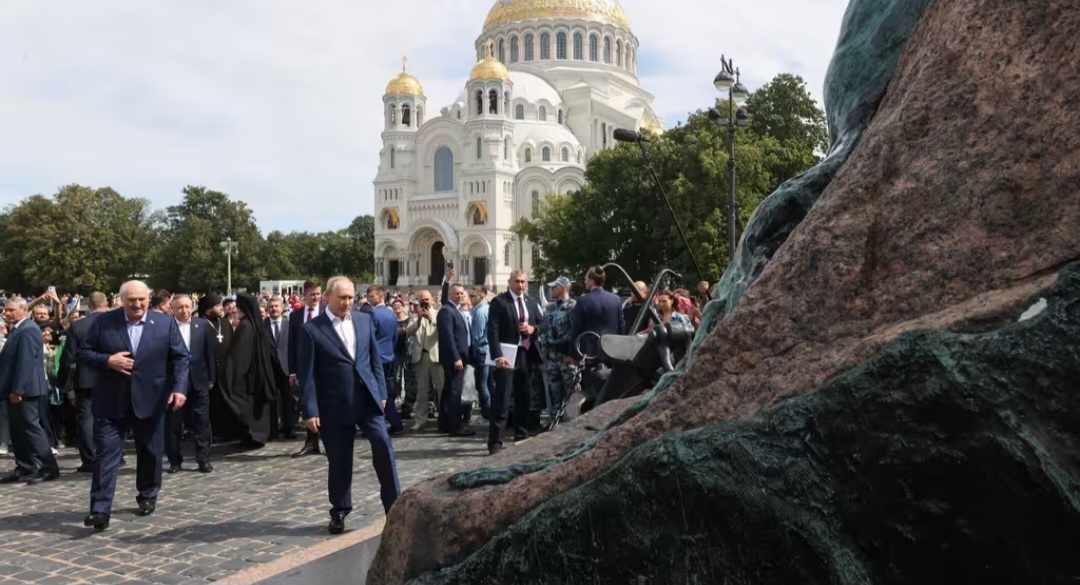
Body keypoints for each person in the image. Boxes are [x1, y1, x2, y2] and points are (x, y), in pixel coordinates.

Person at [80, 280, 189, 530]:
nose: (137, 304)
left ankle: (148, 495)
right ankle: (100, 510)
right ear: (121, 300)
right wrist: (107, 360)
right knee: (106, 456)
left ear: (148, 299)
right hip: (111, 401)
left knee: (150, 452)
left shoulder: (164, 322)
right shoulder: (104, 322)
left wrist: (179, 389)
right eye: (132, 300)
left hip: (151, 399)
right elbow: (83, 353)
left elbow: (181, 357)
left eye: (142, 299)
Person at [297, 276, 400, 534]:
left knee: (383, 445)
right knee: (340, 460)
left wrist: (382, 392)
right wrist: (310, 410)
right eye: (342, 297)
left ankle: (395, 507)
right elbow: (307, 374)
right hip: (334, 404)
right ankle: (340, 510)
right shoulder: (312, 329)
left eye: (351, 297)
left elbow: (373, 360)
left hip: (367, 399)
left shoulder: (365, 321)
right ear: (327, 297)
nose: (347, 302)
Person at [0, 297, 60, 485]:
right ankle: (25, 467)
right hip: (15, 389)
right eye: (5, 309)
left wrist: (18, 389)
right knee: (18, 430)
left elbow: (25, 362)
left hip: (25, 391)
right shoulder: (18, 329)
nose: (6, 313)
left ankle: (48, 466)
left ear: (24, 309)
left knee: (31, 428)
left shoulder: (27, 330)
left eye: (11, 310)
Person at [486, 270, 544, 455]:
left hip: (526, 353)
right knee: (502, 398)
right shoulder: (500, 302)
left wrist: (533, 329)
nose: (521, 285)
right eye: (517, 282)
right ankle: (495, 441)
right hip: (507, 354)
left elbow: (544, 324)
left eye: (523, 282)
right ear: (510, 282)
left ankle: (522, 434)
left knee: (524, 395)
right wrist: (498, 356)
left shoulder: (531, 302)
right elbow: (492, 330)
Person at [217, 293, 281, 449]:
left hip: (247, 376)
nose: (235, 310)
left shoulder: (245, 326)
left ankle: (252, 437)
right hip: (256, 373)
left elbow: (240, 354)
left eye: (238, 307)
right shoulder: (254, 324)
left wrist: (230, 372)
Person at [165, 294, 217, 473]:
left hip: (199, 380)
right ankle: (174, 460)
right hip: (174, 383)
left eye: (187, 306)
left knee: (202, 421)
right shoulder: (167, 327)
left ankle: (203, 459)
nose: (184, 310)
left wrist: (211, 377)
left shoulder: (201, 325)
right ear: (172, 308)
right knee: (173, 424)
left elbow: (210, 353)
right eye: (180, 307)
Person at [59, 291, 110, 472]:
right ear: (106, 304)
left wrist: (63, 383)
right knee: (110, 418)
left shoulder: (78, 326)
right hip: (110, 377)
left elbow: (68, 358)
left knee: (86, 419)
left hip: (85, 379)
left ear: (89, 306)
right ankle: (113, 456)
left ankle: (89, 459)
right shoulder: (114, 323)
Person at [570, 266, 624, 406]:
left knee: (590, 393)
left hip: (590, 354)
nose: (585, 281)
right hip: (611, 353)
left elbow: (576, 329)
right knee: (610, 393)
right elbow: (621, 327)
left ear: (592, 281)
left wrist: (572, 353)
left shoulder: (583, 301)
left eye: (586, 279)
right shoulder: (615, 300)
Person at [289, 280, 323, 457]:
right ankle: (311, 442)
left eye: (318, 294)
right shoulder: (296, 316)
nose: (316, 297)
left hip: (324, 365)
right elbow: (292, 344)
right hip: (304, 366)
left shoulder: (326, 312)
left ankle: (329, 441)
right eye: (313, 294)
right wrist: (292, 370)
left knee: (325, 403)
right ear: (305, 295)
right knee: (307, 403)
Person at [437, 282, 475, 436]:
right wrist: (456, 358)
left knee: (449, 391)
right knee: (454, 392)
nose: (459, 296)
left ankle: (445, 423)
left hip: (461, 357)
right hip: (454, 359)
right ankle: (455, 426)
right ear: (450, 294)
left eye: (461, 293)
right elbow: (448, 337)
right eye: (456, 293)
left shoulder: (457, 310)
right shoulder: (447, 311)